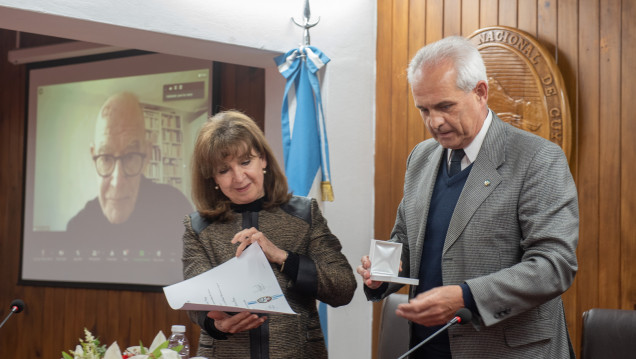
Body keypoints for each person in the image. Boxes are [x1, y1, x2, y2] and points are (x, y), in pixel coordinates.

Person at [357, 36, 579, 358]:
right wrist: (382, 274)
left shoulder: (537, 158)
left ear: (480, 93)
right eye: (424, 109)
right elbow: (407, 239)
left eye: (445, 106)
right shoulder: (421, 157)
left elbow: (553, 265)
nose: (434, 122)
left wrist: (466, 296)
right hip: (426, 347)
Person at [183, 110, 356, 358]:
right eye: (224, 170)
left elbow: (343, 288)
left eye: (245, 162)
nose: (238, 177)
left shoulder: (304, 214)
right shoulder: (198, 227)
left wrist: (282, 257)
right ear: (212, 177)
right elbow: (195, 302)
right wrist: (216, 324)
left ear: (262, 159)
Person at [66, 92, 193, 261]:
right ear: (93, 155)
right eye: (105, 157)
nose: (117, 182)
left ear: (147, 155)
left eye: (131, 156)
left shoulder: (175, 208)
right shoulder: (78, 227)